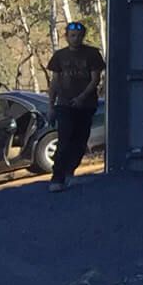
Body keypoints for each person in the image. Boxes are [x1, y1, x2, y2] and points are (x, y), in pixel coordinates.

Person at [45, 20, 105, 191]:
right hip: (64, 104)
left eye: (79, 36)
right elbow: (55, 82)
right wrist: (51, 105)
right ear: (66, 37)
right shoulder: (59, 56)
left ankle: (70, 171)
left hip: (86, 105)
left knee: (80, 141)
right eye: (72, 36)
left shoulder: (92, 54)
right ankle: (57, 178)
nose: (76, 39)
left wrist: (82, 97)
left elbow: (95, 80)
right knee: (64, 139)